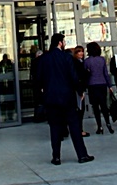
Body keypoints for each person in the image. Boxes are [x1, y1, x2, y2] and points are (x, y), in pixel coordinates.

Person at [37, 33, 95, 165]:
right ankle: (82, 155)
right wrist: (80, 91)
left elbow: (38, 78)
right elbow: (73, 77)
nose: (65, 44)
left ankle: (56, 157)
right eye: (64, 41)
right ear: (59, 43)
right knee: (74, 126)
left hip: (51, 98)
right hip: (67, 97)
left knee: (55, 127)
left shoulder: (44, 58)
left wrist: (43, 92)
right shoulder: (66, 57)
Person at [83, 42, 114, 134]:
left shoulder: (87, 61)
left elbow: (85, 74)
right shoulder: (102, 59)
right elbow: (105, 73)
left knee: (95, 107)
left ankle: (99, 126)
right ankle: (108, 124)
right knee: (104, 105)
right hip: (102, 84)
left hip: (92, 85)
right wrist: (110, 85)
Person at [72, 46, 91, 138]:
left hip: (79, 89)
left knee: (79, 111)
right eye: (79, 52)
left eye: (82, 52)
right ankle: (79, 130)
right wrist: (81, 91)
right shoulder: (77, 63)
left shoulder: (80, 62)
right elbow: (78, 78)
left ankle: (79, 129)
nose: (81, 53)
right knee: (79, 111)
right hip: (78, 90)